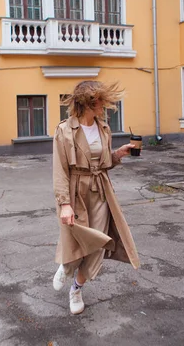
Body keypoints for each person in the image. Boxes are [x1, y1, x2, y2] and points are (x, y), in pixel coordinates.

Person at [52, 80, 140, 315]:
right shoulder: (64, 130)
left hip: (100, 191)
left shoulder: (104, 128)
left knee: (97, 244)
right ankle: (66, 265)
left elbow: (103, 163)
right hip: (75, 191)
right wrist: (65, 204)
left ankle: (76, 288)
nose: (104, 106)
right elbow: (60, 170)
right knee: (76, 240)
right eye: (101, 101)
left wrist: (118, 155)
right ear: (89, 102)